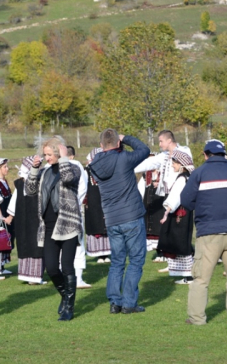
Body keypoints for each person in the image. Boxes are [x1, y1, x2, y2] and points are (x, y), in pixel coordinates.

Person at [181, 140, 227, 325]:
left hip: (209, 232)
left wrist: (203, 208)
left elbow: (186, 200)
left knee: (201, 278)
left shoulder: (199, 173)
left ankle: (197, 319)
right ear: (224, 155)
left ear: (205, 155)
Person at [89, 129, 150, 314]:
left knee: (117, 261)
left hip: (112, 219)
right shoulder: (124, 158)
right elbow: (144, 149)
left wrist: (116, 144)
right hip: (131, 216)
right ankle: (129, 303)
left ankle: (115, 302)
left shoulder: (94, 164)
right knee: (136, 260)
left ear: (101, 146)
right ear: (117, 144)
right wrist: (126, 138)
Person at [25, 136, 82, 321]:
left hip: (68, 224)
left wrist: (64, 158)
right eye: (45, 155)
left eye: (49, 154)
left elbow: (67, 179)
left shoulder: (73, 167)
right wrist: (34, 168)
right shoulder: (45, 172)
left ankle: (69, 308)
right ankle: (65, 296)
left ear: (59, 152)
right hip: (49, 226)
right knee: (51, 268)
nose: (46, 158)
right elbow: (30, 190)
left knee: (67, 267)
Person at [134, 130, 192, 263]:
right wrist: (128, 168)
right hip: (167, 195)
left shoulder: (183, 151)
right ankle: (172, 259)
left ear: (169, 141)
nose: (159, 144)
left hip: (179, 194)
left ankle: (183, 258)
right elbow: (149, 163)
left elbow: (189, 169)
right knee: (169, 229)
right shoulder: (164, 155)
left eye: (161, 141)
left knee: (179, 229)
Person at [156, 150, 195, 285]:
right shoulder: (190, 177)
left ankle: (189, 275)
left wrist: (167, 211)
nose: (173, 165)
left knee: (179, 243)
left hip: (179, 214)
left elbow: (176, 197)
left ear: (181, 164)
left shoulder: (182, 178)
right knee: (183, 241)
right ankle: (188, 274)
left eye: (174, 163)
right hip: (186, 213)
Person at [6, 156, 46, 285]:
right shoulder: (34, 183)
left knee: (26, 245)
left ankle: (26, 275)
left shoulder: (19, 184)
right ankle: (34, 277)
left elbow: (12, 204)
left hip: (22, 221)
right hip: (34, 220)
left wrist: (11, 216)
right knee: (34, 245)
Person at [66, 145, 91, 289]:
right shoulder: (76, 165)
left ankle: (76, 278)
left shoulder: (75, 166)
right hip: (73, 209)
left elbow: (82, 186)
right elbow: (84, 186)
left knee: (74, 243)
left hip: (68, 209)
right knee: (77, 243)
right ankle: (76, 278)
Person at [84, 148, 111, 264]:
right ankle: (99, 254)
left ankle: (107, 253)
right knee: (95, 225)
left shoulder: (107, 170)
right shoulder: (87, 171)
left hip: (106, 200)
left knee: (106, 225)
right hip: (92, 202)